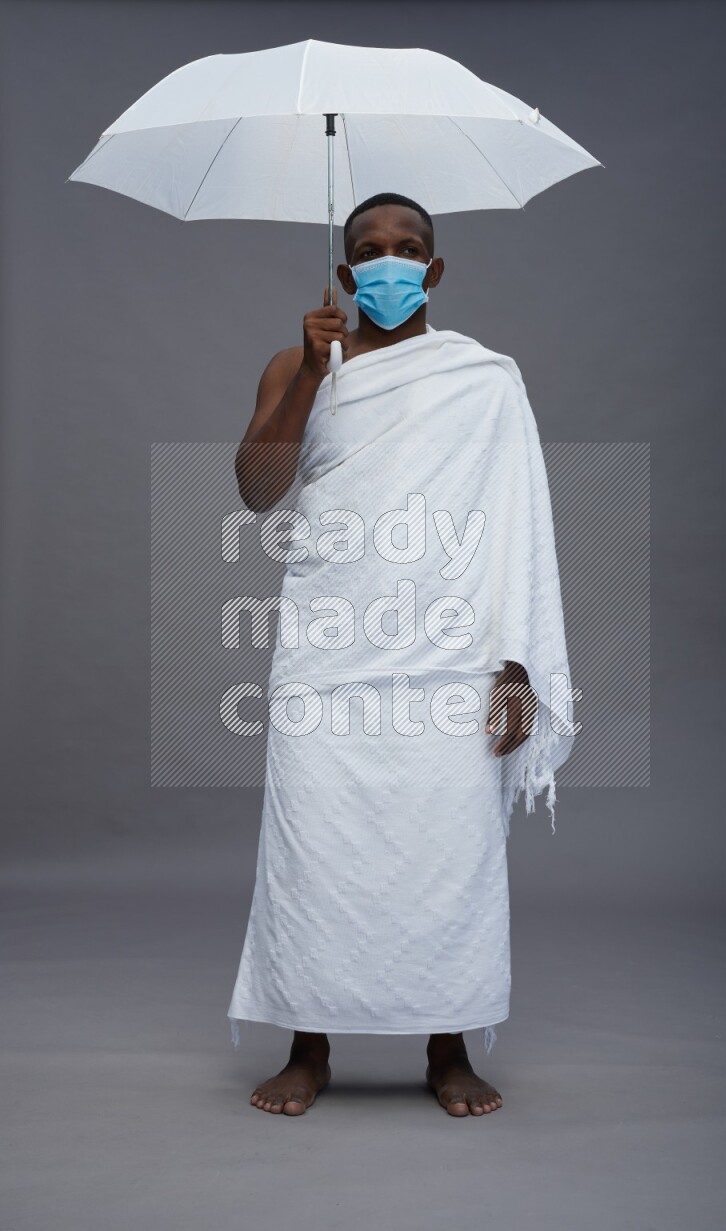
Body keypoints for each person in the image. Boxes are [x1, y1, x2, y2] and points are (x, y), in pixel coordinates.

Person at [228, 192, 574, 1116]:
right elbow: (258, 488)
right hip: (329, 652)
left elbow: (516, 523)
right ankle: (307, 1044)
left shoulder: (482, 380)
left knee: (445, 848)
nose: (392, 262)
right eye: (372, 250)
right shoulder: (300, 365)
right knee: (315, 845)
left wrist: (516, 661)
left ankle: (447, 1045)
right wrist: (310, 375)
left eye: (410, 248)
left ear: (435, 268)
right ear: (346, 274)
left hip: (449, 653)